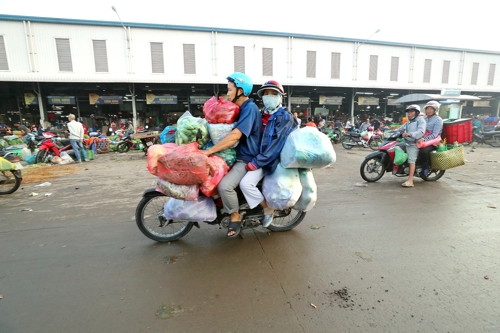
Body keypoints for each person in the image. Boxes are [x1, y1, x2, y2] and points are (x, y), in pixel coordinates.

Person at [202, 72, 262, 238]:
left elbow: (235, 136)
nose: (227, 94)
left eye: (229, 90)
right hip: (236, 155)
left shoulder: (250, 109)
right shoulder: (239, 108)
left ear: (240, 91)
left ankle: (235, 216)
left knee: (224, 186)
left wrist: (210, 151)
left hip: (246, 158)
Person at [242, 80, 297, 229]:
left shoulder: (285, 117)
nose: (269, 97)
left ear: (280, 97)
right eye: (266, 94)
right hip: (257, 156)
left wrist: (257, 162)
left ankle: (267, 209)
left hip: (269, 160)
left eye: (273, 94)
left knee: (246, 184)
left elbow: (275, 146)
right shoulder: (261, 114)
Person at [395, 105, 426, 188]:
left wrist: (410, 134)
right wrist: (392, 131)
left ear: (416, 113)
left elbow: (421, 131)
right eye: (408, 112)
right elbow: (400, 129)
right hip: (406, 142)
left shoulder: (421, 120)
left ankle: (410, 180)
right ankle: (402, 167)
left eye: (411, 111)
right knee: (396, 147)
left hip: (414, 143)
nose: (409, 113)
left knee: (411, 161)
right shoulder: (408, 121)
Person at [416, 101, 443, 177]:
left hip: (433, 141)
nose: (429, 110)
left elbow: (434, 135)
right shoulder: (424, 118)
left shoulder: (438, 120)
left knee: (423, 151)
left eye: (431, 109)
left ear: (435, 110)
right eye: (427, 109)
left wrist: (424, 139)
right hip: (422, 139)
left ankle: (425, 166)